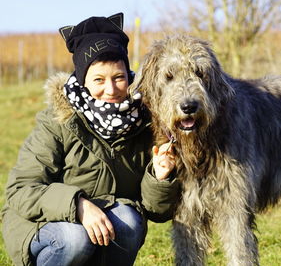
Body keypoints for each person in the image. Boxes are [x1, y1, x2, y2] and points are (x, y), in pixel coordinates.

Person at [1, 13, 179, 266]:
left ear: (129, 76)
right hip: (43, 222)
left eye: (119, 77)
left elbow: (156, 212)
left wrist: (160, 178)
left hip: (106, 220)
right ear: (83, 81)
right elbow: (21, 190)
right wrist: (78, 205)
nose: (111, 89)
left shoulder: (145, 121)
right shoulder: (59, 121)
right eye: (98, 79)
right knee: (74, 240)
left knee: (128, 221)